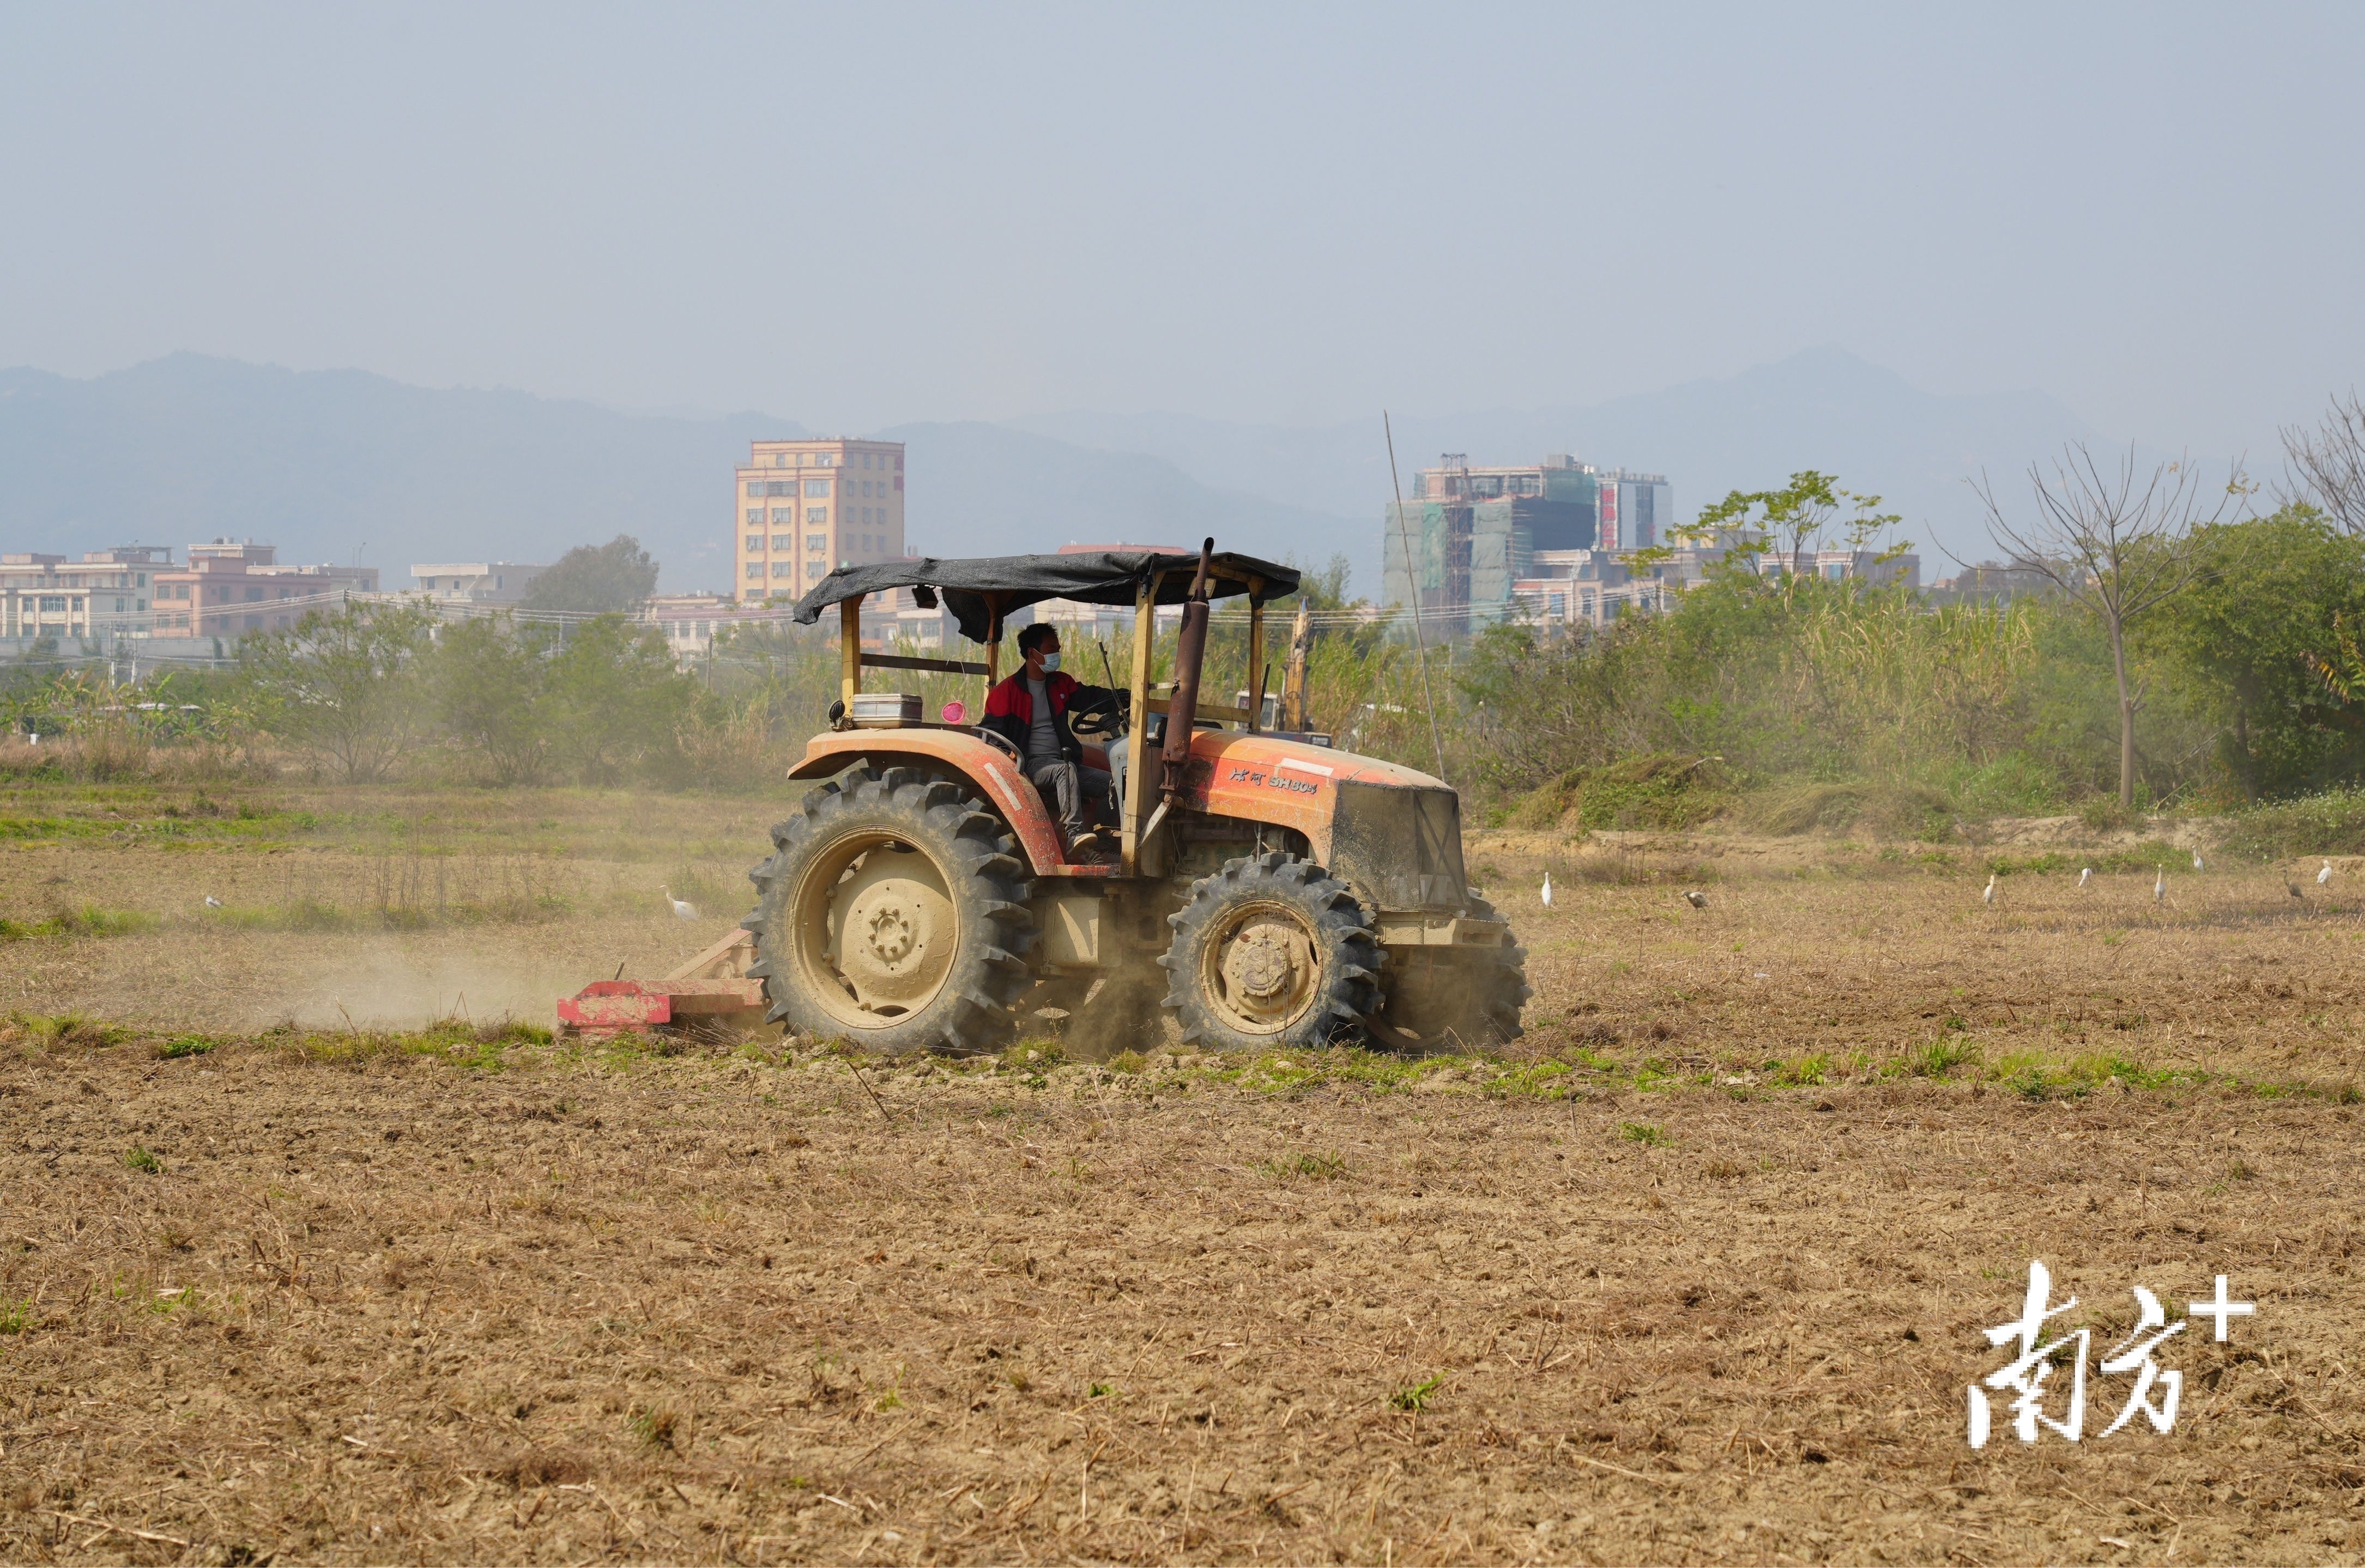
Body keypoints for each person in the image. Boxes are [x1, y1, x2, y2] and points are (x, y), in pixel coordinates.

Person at [980, 623, 1122, 864]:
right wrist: (1009, 755)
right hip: (1031, 765)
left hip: (1063, 762)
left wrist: (1122, 696)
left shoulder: (1060, 684)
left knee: (1116, 783)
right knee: (1064, 771)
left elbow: (1089, 696)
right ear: (1031, 653)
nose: (1057, 654)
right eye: (1051, 649)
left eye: (1058, 648)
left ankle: (1110, 837)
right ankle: (1074, 834)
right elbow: (990, 735)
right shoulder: (1006, 692)